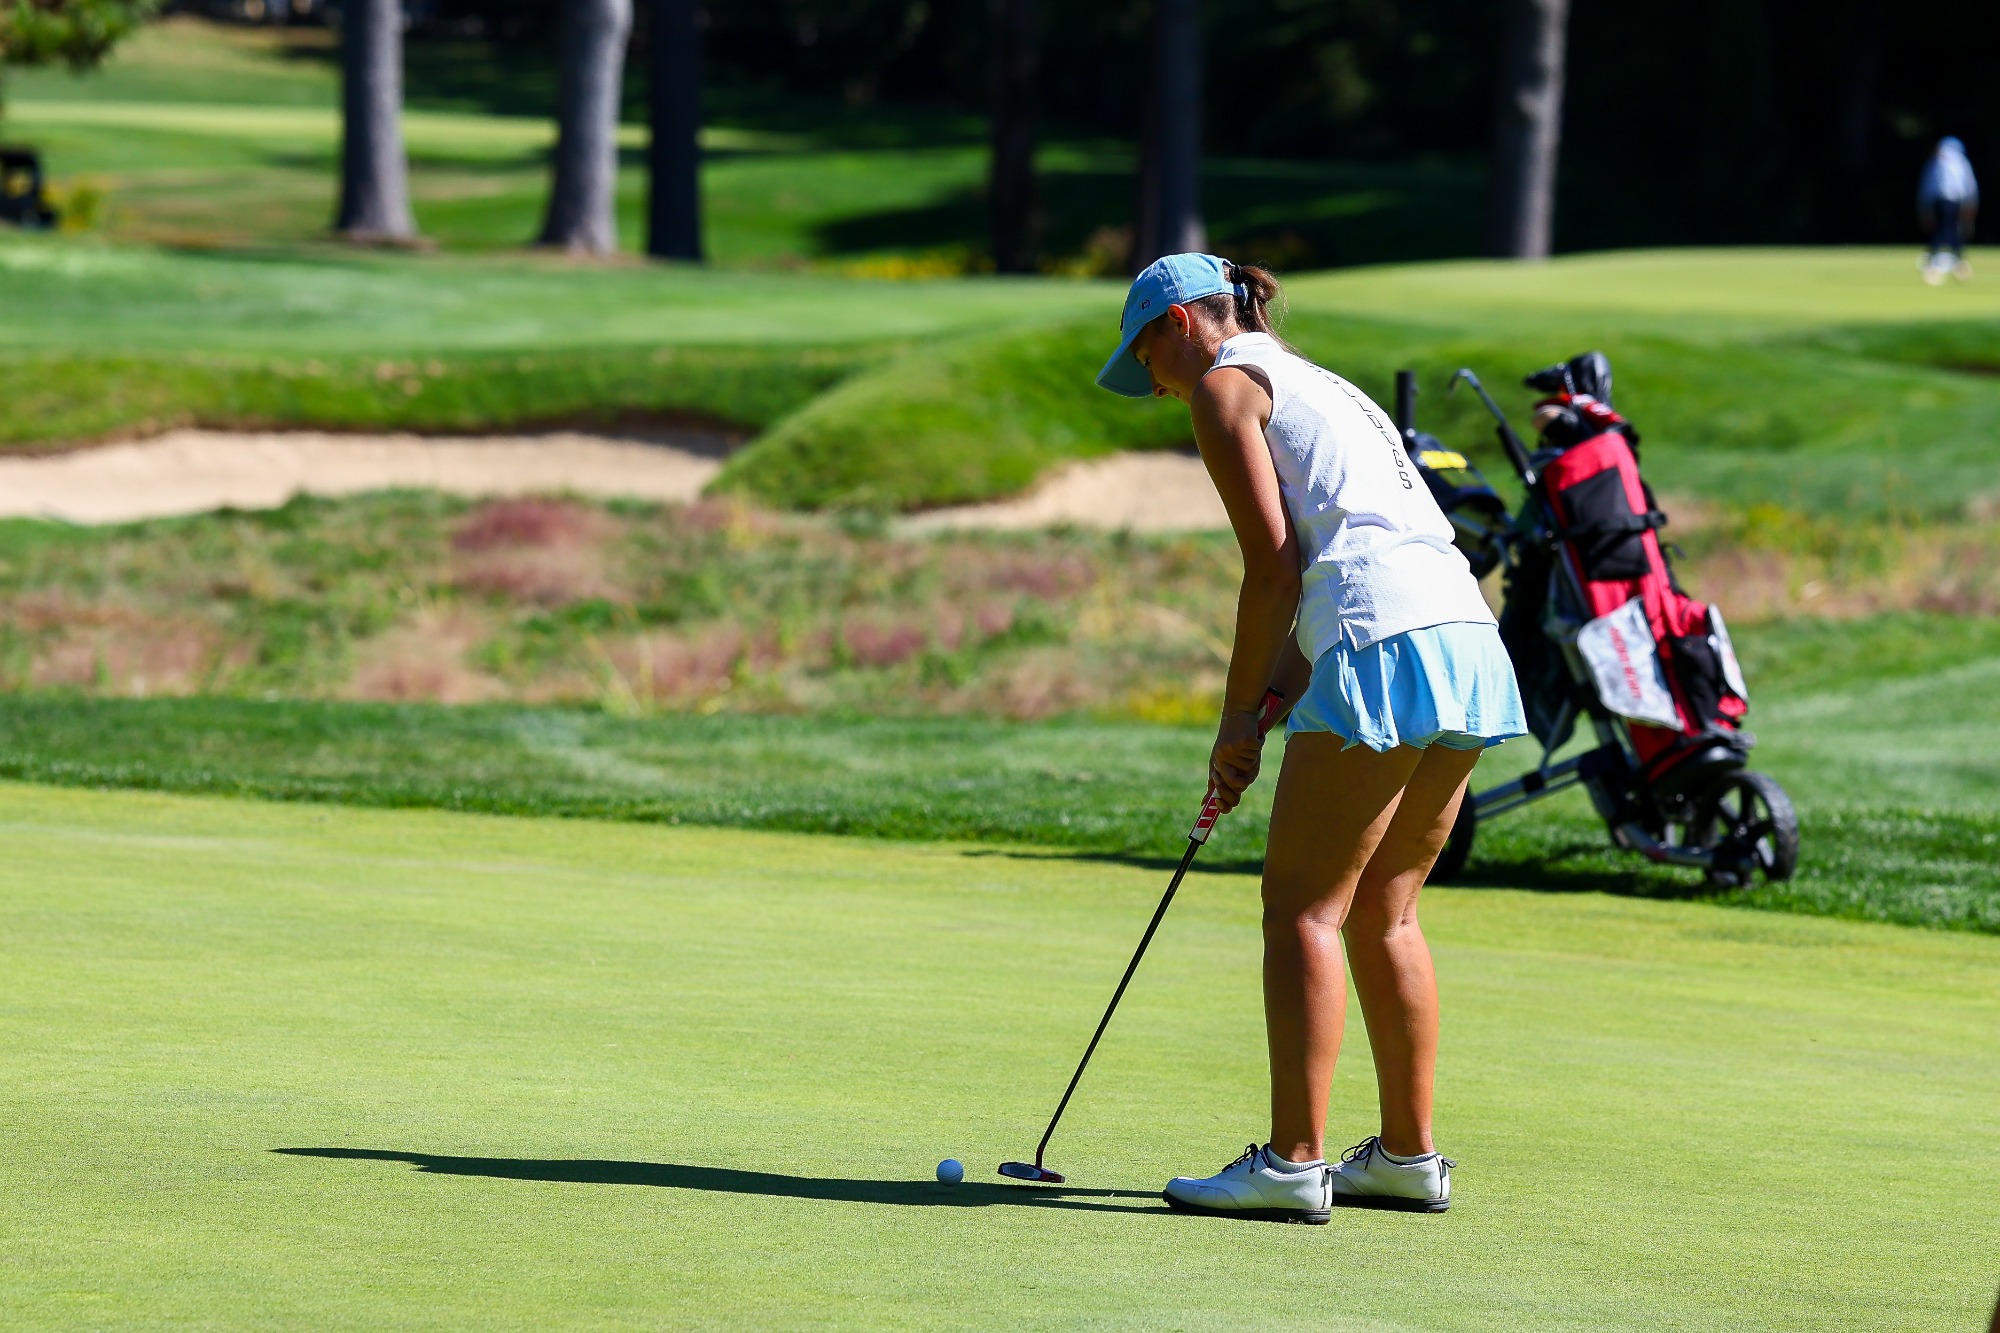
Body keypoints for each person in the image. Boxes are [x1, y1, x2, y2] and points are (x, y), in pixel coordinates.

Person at [1095, 254, 1525, 1222]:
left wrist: (1228, 716)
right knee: (1387, 907)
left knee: (1301, 909)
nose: (1157, 386)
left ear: (1179, 324)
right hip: (1459, 637)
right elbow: (1337, 565)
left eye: (1145, 358)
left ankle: (1292, 1164)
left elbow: (1273, 569)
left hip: (1381, 641)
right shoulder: (1322, 382)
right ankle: (1406, 1158)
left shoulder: (1220, 383)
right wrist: (1267, 707)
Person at [1918, 136, 1979, 285]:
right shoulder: (1960, 162)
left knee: (1946, 230)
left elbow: (1926, 187)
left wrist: (1924, 207)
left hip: (1946, 202)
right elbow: (1970, 186)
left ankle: (1947, 261)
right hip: (1951, 201)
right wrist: (1971, 203)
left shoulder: (1937, 162)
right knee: (1948, 230)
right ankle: (1953, 261)